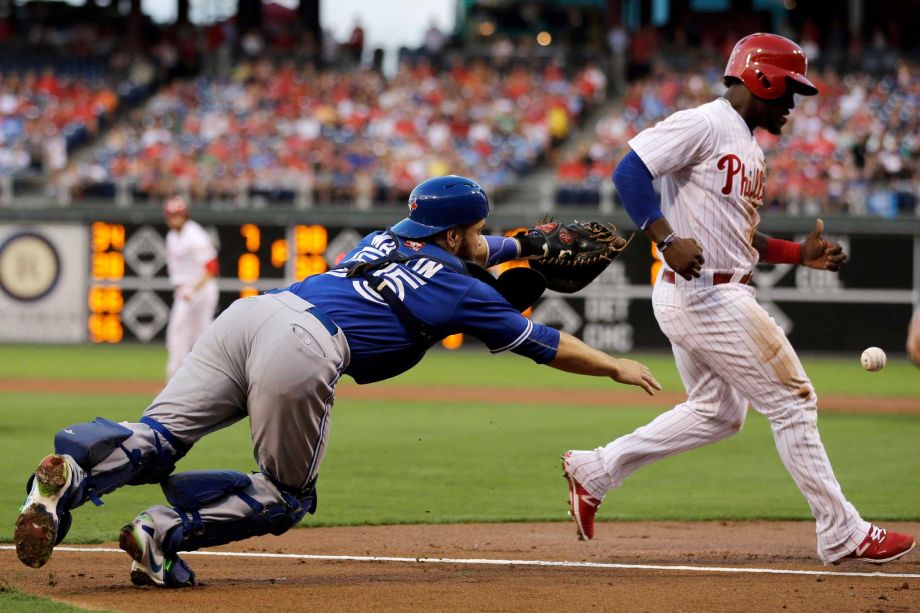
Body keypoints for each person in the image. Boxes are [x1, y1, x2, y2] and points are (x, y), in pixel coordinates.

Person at [14, 175, 661, 587]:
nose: (486, 238)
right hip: (304, 348)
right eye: (481, 229)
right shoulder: (463, 290)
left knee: (157, 434)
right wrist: (615, 365)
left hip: (252, 314)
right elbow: (545, 345)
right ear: (459, 231)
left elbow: (477, 249)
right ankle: (158, 530)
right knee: (286, 495)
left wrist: (520, 246)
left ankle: (69, 479)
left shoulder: (387, 240)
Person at [561, 33, 916, 565]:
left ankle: (595, 470)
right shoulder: (706, 122)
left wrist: (800, 255)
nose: (793, 105)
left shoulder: (748, 147)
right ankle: (841, 531)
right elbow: (629, 169)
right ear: (761, 79)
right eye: (788, 91)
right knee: (794, 403)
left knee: (718, 413)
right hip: (708, 297)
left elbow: (740, 237)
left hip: (709, 290)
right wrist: (663, 237)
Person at [162, 196, 219, 380]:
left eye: (177, 215)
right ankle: (180, 381)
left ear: (185, 215)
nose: (174, 219)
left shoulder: (195, 235)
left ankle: (202, 379)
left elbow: (211, 267)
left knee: (191, 334)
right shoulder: (172, 236)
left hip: (199, 289)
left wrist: (193, 291)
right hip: (185, 289)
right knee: (182, 335)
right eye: (171, 215)